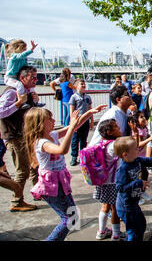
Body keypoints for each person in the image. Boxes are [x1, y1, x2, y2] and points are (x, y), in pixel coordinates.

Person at [24, 105, 105, 240]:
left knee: (72, 217)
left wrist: (90, 112)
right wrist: (72, 127)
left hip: (60, 182)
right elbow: (62, 150)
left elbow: (75, 126)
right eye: (49, 119)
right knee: (68, 219)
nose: (53, 120)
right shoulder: (42, 143)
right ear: (40, 124)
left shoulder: (52, 135)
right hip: (51, 185)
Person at [0, 65, 41, 212]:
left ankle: (36, 191)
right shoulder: (12, 93)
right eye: (33, 77)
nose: (36, 80)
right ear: (22, 78)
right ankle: (17, 201)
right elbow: (1, 112)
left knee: (33, 165)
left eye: (36, 77)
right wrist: (19, 102)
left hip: (24, 135)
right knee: (22, 170)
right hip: (14, 136)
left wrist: (34, 101)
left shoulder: (27, 93)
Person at [114, 136, 152, 241]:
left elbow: (150, 160)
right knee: (134, 232)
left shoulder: (137, 160)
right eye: (135, 148)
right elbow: (120, 187)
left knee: (141, 226)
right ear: (125, 154)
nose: (138, 149)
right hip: (126, 207)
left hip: (134, 204)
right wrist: (137, 183)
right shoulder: (123, 169)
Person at [92, 119, 127, 241]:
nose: (119, 128)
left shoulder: (100, 144)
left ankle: (101, 231)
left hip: (102, 182)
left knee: (104, 207)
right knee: (115, 209)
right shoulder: (114, 145)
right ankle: (116, 234)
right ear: (109, 132)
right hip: (113, 183)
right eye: (115, 127)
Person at [4, 39, 44, 108]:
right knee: (19, 85)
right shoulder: (13, 56)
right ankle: (22, 102)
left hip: (17, 77)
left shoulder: (23, 59)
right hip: (10, 78)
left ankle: (35, 102)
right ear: (18, 49)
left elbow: (26, 67)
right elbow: (21, 56)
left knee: (31, 88)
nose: (25, 51)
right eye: (24, 49)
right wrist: (31, 50)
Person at [68, 79, 92, 166]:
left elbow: (90, 109)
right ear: (77, 86)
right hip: (77, 121)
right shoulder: (74, 97)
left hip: (85, 121)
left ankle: (83, 156)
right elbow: (71, 110)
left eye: (84, 84)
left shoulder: (87, 97)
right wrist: (72, 122)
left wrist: (91, 121)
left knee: (84, 139)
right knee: (75, 139)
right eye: (81, 84)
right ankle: (74, 156)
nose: (83, 85)